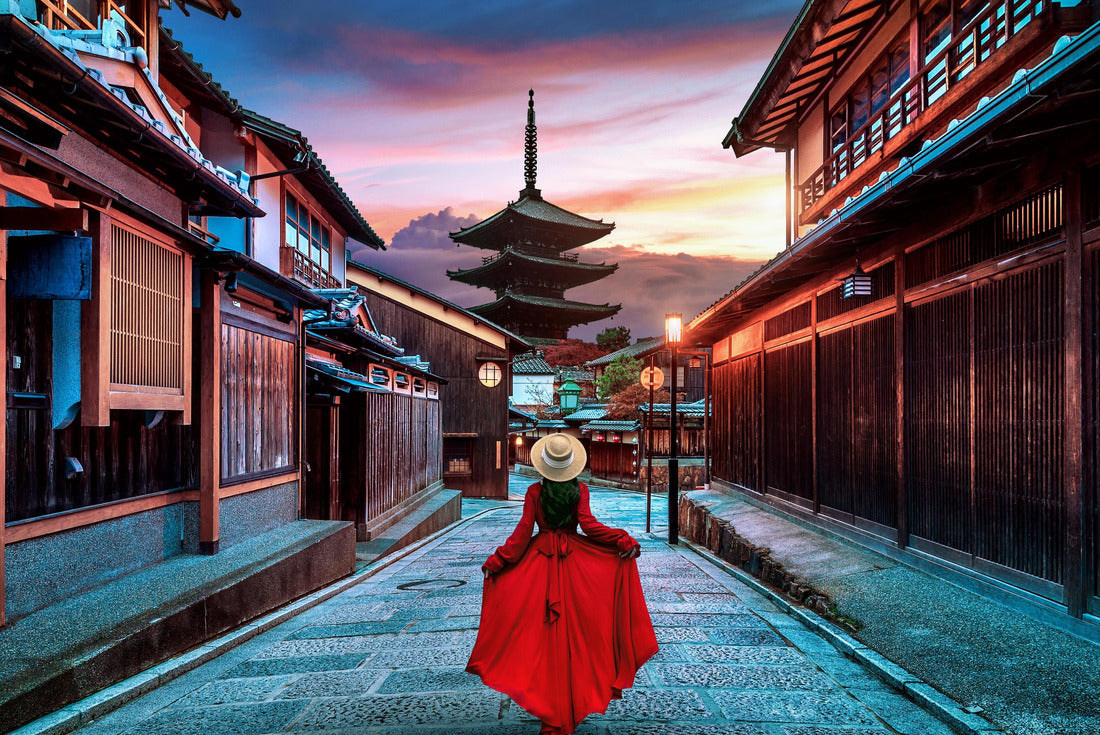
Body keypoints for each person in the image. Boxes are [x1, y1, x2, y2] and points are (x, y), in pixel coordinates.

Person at [466, 432, 659, 735]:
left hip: (540, 564)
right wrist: (620, 538)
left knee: (539, 639)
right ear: (572, 466)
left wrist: (497, 561)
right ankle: (570, 702)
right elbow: (589, 526)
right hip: (574, 564)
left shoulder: (533, 492)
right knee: (578, 637)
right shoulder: (580, 490)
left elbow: (521, 535)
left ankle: (550, 707)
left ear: (544, 465)